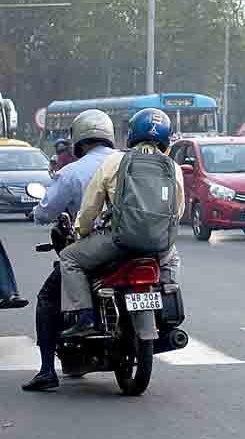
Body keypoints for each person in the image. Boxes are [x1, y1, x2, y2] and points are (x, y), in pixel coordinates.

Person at [57, 108, 184, 341]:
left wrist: (81, 233)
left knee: (69, 259)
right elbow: (178, 210)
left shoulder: (114, 161)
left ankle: (85, 317)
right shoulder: (171, 167)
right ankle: (167, 303)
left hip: (118, 241)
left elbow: (90, 207)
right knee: (172, 258)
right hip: (158, 244)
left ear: (132, 133)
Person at [22, 110, 118, 391]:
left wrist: (36, 214)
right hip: (137, 244)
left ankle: (47, 370)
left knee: (47, 297)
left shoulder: (72, 172)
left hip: (96, 244)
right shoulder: (127, 161)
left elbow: (48, 209)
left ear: (79, 139)